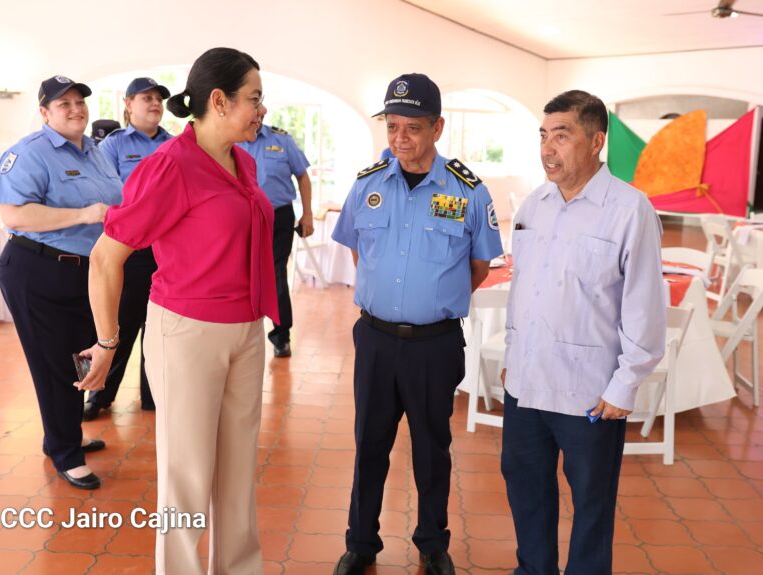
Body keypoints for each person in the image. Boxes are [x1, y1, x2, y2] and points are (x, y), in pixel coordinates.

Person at [78, 48, 276, 575]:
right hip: (188, 334)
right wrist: (108, 341)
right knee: (186, 477)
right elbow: (105, 257)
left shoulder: (244, 161)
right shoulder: (170, 166)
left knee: (237, 472)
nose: (262, 110)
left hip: (245, 329)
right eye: (254, 98)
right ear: (220, 100)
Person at [331, 73, 503, 575]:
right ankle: (361, 543)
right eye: (392, 127)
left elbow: (479, 267)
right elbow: (362, 253)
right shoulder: (366, 185)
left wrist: (432, 300)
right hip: (376, 339)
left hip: (434, 344)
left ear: (437, 128)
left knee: (432, 449)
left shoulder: (468, 192)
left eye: (413, 128)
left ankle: (432, 542)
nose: (400, 139)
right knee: (370, 445)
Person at [500, 90, 666, 575]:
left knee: (591, 503)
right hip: (526, 383)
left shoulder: (630, 209)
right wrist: (512, 353)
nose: (548, 149)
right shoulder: (534, 205)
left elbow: (644, 305)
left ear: (596, 141)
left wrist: (625, 384)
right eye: (543, 136)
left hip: (590, 393)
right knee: (526, 489)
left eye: (562, 136)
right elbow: (523, 290)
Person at [0, 75, 123, 490]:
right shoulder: (31, 153)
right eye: (63, 104)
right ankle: (65, 453)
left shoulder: (95, 151)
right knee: (53, 364)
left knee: (80, 356)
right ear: (44, 112)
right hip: (39, 270)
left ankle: (65, 433)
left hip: (87, 273)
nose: (75, 109)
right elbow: (14, 214)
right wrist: (83, 214)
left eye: (79, 102)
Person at [82, 77, 174, 420]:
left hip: (165, 250)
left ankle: (153, 395)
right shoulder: (113, 145)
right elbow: (104, 193)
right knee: (120, 323)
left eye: (158, 99)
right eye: (146, 98)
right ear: (128, 103)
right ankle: (99, 395)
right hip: (128, 251)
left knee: (160, 325)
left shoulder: (174, 144)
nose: (155, 104)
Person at [239, 107, 313, 358]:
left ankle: (282, 337)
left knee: (274, 274)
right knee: (241, 274)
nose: (258, 112)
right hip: (242, 218)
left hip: (278, 216)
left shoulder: (282, 140)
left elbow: (303, 177)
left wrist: (307, 213)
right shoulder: (232, 139)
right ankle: (242, 331)